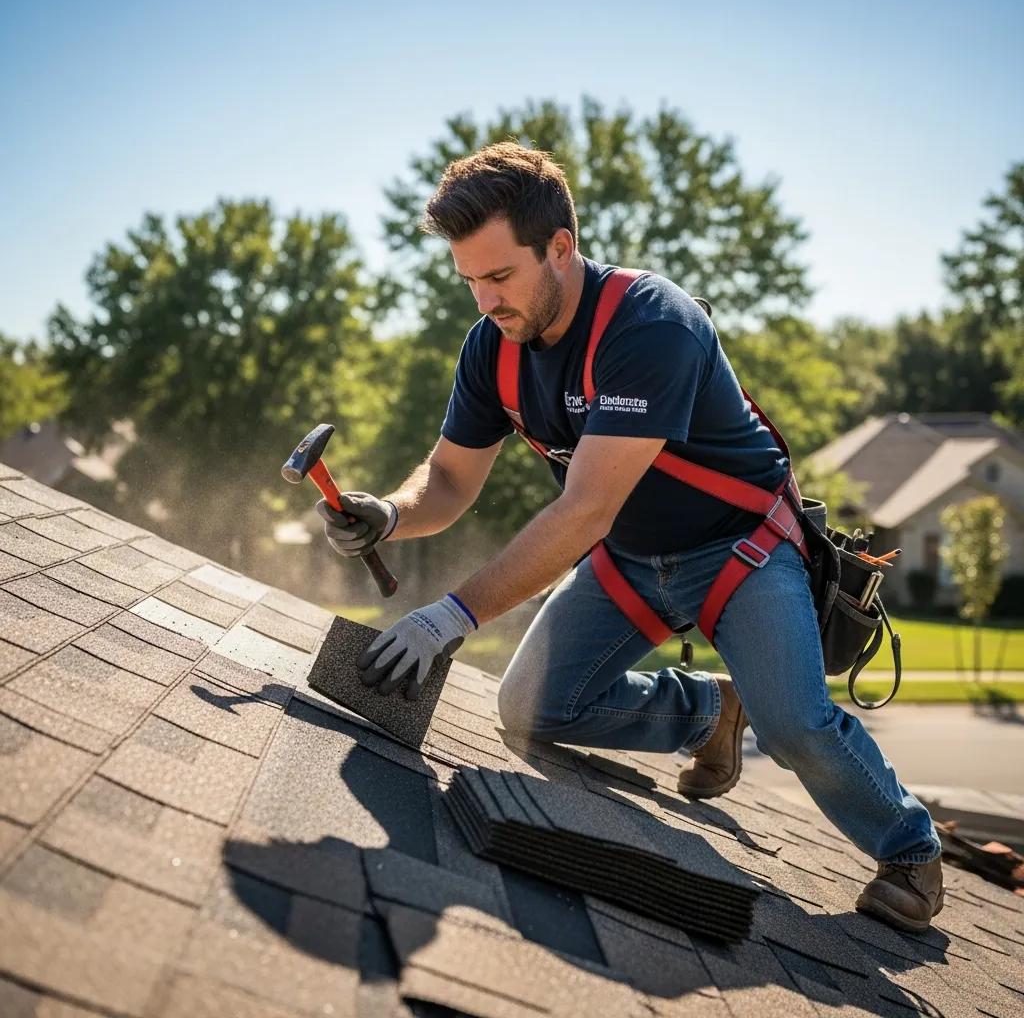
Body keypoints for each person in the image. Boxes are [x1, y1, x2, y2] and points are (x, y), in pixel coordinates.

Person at [317, 142, 944, 933]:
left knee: (793, 725)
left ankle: (911, 849)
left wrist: (449, 617)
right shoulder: (492, 349)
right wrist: (393, 513)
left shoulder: (652, 325)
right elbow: (447, 480)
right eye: (467, 279)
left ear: (560, 248)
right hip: (631, 561)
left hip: (739, 552)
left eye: (500, 277)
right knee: (528, 711)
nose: (483, 301)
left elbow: (583, 513)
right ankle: (707, 713)